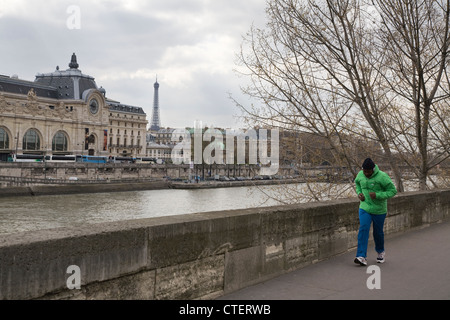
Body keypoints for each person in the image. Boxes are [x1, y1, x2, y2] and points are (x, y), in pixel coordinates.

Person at [354, 158, 397, 266]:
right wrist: (359, 193)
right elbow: (357, 184)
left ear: (373, 169)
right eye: (365, 171)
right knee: (363, 229)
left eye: (369, 172)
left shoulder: (382, 176)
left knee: (377, 233)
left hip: (379, 210)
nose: (366, 174)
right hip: (364, 207)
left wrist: (378, 195)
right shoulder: (360, 174)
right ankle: (361, 256)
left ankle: (380, 252)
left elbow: (392, 191)